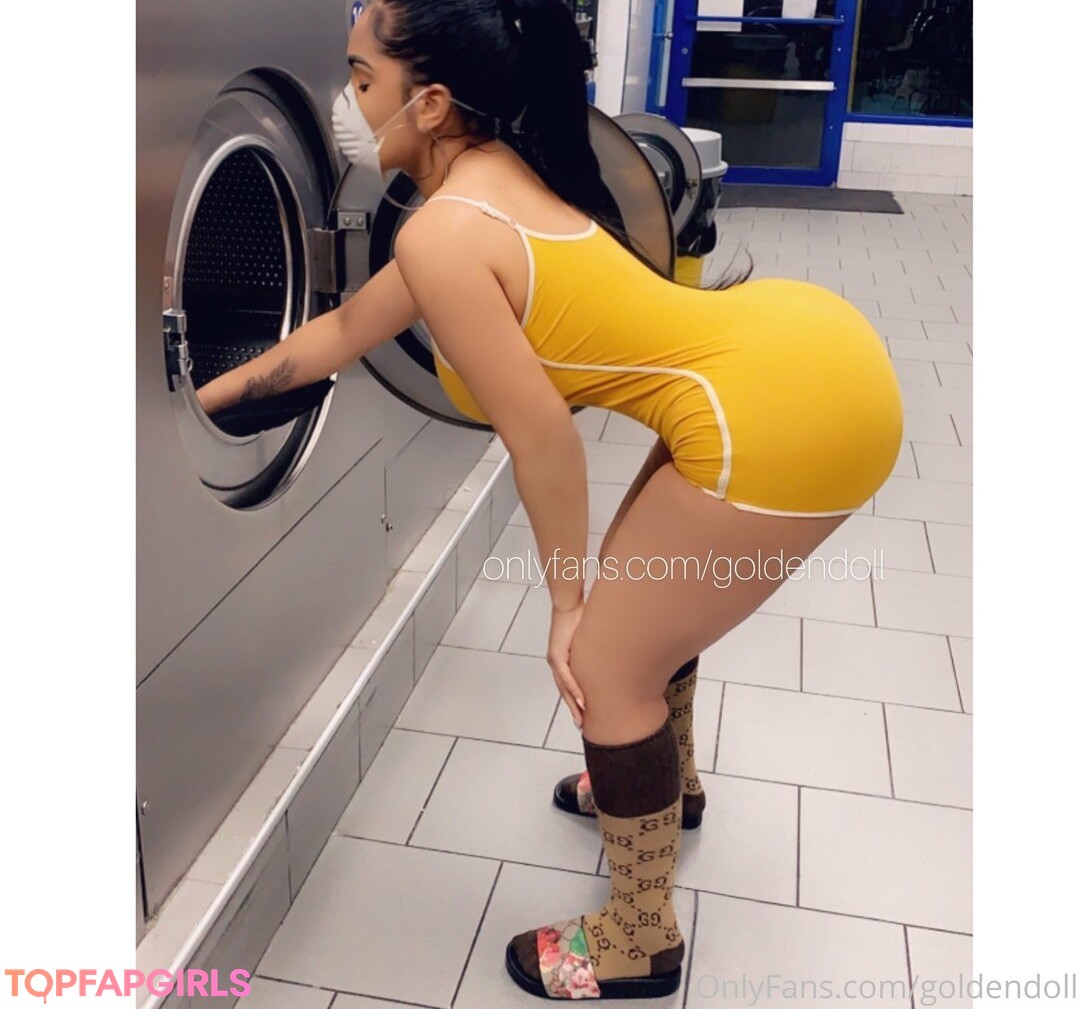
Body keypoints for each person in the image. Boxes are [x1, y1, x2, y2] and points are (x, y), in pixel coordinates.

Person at [196, 0, 905, 998]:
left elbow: (544, 438)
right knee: (642, 625)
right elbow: (346, 328)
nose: (343, 104)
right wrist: (203, 395)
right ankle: (667, 787)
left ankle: (638, 939)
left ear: (429, 103)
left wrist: (565, 605)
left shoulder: (446, 231)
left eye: (360, 80)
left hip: (779, 412)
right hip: (792, 351)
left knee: (604, 662)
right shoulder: (490, 175)